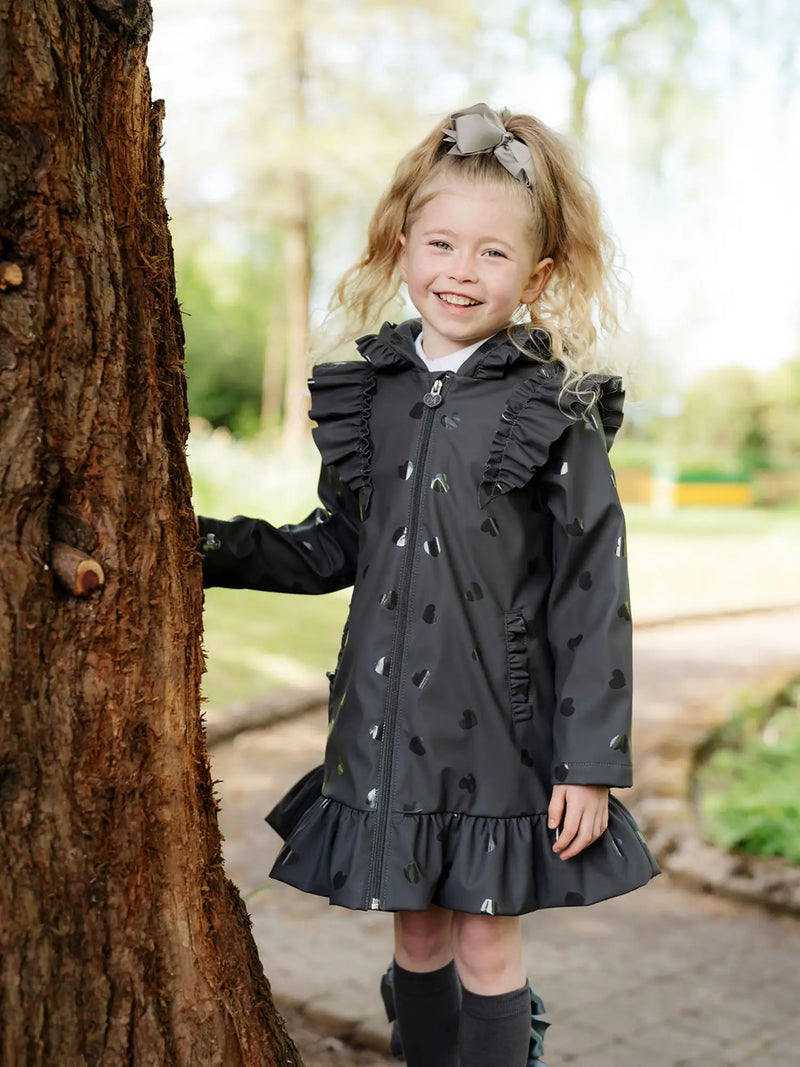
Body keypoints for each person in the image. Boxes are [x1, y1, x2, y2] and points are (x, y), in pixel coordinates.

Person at [198, 102, 659, 1067]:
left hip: (499, 728)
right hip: (385, 723)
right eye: (441, 242)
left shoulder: (553, 407)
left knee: (486, 934)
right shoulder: (372, 393)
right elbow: (334, 548)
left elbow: (590, 589)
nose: (460, 269)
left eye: (492, 254)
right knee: (414, 931)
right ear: (401, 243)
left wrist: (590, 759)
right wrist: (196, 544)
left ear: (534, 277)